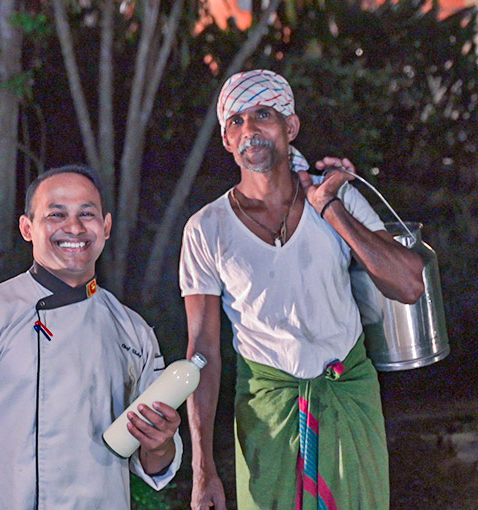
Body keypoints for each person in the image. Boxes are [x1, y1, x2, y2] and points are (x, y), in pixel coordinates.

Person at [179, 69, 425, 510]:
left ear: (290, 126)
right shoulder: (206, 229)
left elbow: (408, 284)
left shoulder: (336, 198)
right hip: (267, 414)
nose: (249, 128)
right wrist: (203, 468)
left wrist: (330, 209)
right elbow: (203, 352)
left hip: (346, 395)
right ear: (226, 140)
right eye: (235, 121)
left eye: (263, 114)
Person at [0, 165, 182, 510]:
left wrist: (161, 444)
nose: (73, 227)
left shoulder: (132, 330)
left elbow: (153, 462)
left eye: (86, 214)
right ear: (27, 228)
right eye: (56, 215)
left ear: (105, 227)